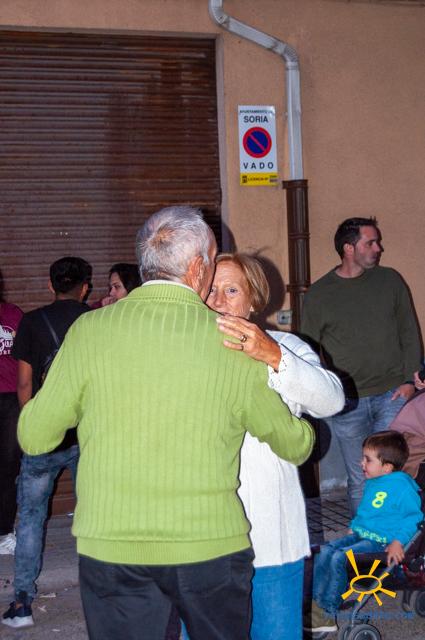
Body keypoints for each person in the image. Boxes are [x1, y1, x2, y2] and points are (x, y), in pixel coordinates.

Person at [14, 206, 314, 640]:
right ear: (196, 269)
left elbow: (35, 436)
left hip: (112, 547)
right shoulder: (232, 340)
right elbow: (295, 445)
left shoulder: (88, 332)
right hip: (209, 547)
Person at [204, 253, 344, 640]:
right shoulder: (184, 353)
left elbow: (331, 400)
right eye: (210, 290)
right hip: (201, 538)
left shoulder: (284, 345)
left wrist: (271, 355)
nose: (218, 300)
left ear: (253, 300)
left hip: (271, 534)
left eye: (231, 290)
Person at [301, 217, 421, 515]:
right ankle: (366, 534)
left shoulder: (390, 281)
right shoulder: (320, 294)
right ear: (349, 248)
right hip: (349, 403)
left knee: (391, 473)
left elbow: (409, 331)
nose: (379, 248)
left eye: (377, 242)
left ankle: (392, 533)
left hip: (393, 395)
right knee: (360, 478)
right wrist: (327, 393)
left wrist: (409, 381)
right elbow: (308, 350)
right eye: (371, 242)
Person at [2, 257, 92, 629]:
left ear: (50, 284)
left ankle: (22, 603)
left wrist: (34, 425)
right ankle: (98, 595)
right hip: (87, 434)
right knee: (94, 513)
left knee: (31, 518)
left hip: (44, 436)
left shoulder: (32, 321)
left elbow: (24, 384)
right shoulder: (95, 321)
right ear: (85, 287)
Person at [304, 431, 423, 634]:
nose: (361, 463)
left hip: (380, 543)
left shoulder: (402, 487)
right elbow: (366, 511)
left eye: (368, 460)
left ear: (387, 467)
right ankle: (317, 605)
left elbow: (414, 518)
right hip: (362, 535)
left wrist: (398, 541)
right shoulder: (374, 482)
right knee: (324, 551)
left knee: (340, 557)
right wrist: (355, 525)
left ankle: (327, 611)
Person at [0, 296, 23, 555]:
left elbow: (25, 356)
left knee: (8, 467)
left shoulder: (12, 313)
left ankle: (4, 531)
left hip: (9, 398)